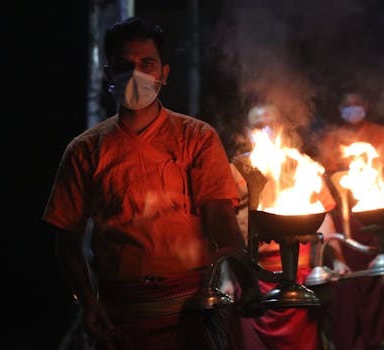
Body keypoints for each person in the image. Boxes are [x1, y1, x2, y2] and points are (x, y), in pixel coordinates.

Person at [42, 17, 258, 350]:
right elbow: (66, 239)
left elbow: (221, 222)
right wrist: (88, 301)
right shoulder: (85, 150)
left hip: (192, 314)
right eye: (124, 65)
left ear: (164, 73)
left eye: (147, 64)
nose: (136, 74)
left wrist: (249, 283)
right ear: (109, 75)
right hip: (119, 318)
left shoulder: (197, 138)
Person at [227, 104, 347, 350]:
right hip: (252, 275)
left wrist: (338, 258)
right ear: (249, 131)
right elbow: (223, 225)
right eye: (259, 126)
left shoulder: (302, 165)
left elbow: (323, 215)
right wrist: (228, 278)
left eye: (271, 123)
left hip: (299, 273)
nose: (266, 130)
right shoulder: (236, 170)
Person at [316, 91, 384, 350]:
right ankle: (350, 339)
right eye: (347, 105)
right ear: (339, 109)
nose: (353, 109)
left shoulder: (381, 134)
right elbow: (325, 175)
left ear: (366, 106)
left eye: (357, 104)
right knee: (348, 280)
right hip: (346, 219)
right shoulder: (331, 138)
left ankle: (381, 337)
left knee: (379, 274)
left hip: (376, 214)